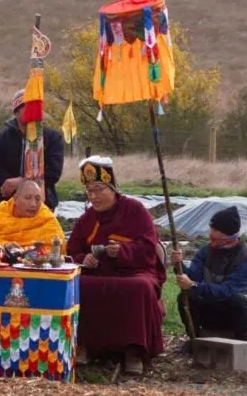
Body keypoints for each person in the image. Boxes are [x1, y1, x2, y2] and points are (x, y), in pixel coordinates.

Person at [67, 156, 166, 373]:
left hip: (135, 271)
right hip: (99, 272)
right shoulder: (87, 218)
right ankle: (84, 345)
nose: (94, 196)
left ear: (113, 188)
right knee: (78, 285)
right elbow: (72, 250)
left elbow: (149, 247)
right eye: (89, 191)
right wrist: (84, 258)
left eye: (99, 189)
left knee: (140, 288)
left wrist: (122, 252)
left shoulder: (135, 210)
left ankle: (134, 351)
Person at [171, 206, 247, 344]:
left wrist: (194, 285)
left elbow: (226, 292)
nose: (210, 237)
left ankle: (242, 343)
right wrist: (179, 265)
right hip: (211, 306)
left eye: (214, 233)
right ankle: (195, 341)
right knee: (185, 297)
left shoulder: (246, 260)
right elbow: (194, 276)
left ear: (228, 237)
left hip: (233, 313)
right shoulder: (207, 251)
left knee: (240, 301)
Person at [0, 88, 64, 211]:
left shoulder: (53, 138)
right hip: (7, 205)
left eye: (35, 107)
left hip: (43, 204)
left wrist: (22, 182)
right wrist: (10, 187)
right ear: (16, 111)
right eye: (26, 107)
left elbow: (53, 172)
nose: (32, 111)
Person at [0, 178, 65, 256]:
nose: (33, 204)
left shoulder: (47, 218)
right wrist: (7, 247)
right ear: (15, 199)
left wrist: (26, 253)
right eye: (28, 198)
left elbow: (55, 248)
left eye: (38, 199)